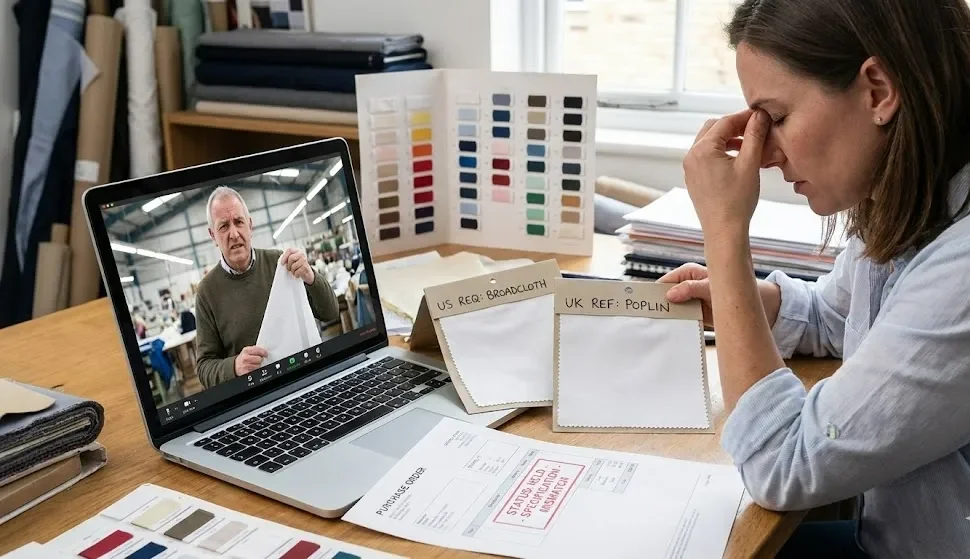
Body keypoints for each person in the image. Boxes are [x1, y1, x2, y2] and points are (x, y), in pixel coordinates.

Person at [657, 1, 970, 557]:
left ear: (877, 90)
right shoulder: (913, 194)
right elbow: (838, 316)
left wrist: (725, 235)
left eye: (775, 118)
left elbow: (784, 464)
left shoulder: (962, 268)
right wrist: (746, 302)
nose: (766, 154)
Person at [195, 186, 339, 389]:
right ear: (213, 236)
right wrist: (234, 366)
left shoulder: (280, 264)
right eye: (223, 226)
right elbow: (204, 368)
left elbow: (331, 312)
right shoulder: (206, 293)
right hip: (253, 394)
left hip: (302, 378)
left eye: (238, 222)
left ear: (250, 225)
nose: (234, 234)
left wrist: (311, 276)